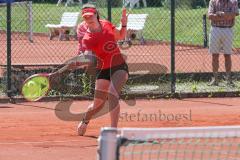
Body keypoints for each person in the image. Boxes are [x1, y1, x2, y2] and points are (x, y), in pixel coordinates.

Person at [77, 3, 129, 136]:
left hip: (119, 66)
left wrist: (124, 24)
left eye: (90, 15)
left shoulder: (106, 24)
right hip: (103, 69)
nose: (88, 19)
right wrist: (85, 59)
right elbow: (88, 56)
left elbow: (121, 36)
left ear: (96, 14)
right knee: (97, 104)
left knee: (112, 95)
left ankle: (113, 130)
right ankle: (85, 121)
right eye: (85, 17)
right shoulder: (87, 38)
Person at [208, 0, 239, 86]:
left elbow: (234, 15)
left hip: (228, 29)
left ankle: (229, 80)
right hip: (215, 29)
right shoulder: (213, 2)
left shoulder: (233, 2)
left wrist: (219, 14)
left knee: (227, 55)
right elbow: (210, 16)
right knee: (214, 55)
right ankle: (215, 79)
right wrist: (227, 16)